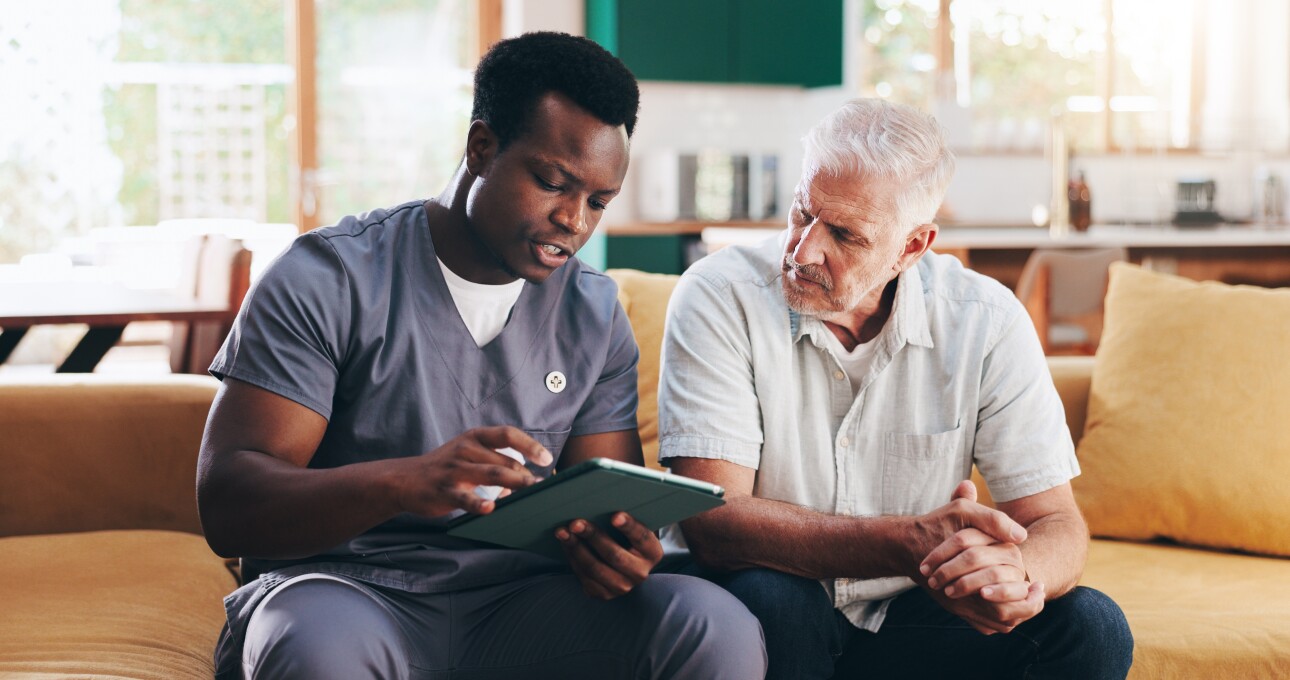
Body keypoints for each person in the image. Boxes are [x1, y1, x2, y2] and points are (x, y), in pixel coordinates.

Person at [197, 32, 765, 680]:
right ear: (481, 147)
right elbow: (228, 503)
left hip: (520, 604)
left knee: (713, 624)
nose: (575, 221)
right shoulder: (327, 277)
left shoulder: (594, 312)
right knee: (314, 651)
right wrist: (404, 481)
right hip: (345, 594)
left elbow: (607, 506)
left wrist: (621, 551)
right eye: (554, 183)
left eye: (599, 203)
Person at [657, 98, 1133, 679]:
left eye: (844, 235)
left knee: (1092, 626)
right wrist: (903, 542)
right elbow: (714, 525)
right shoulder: (717, 294)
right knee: (774, 598)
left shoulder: (983, 318)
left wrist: (1014, 578)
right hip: (764, 594)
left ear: (912, 247)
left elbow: (1056, 522)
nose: (803, 251)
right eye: (802, 213)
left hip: (910, 614)